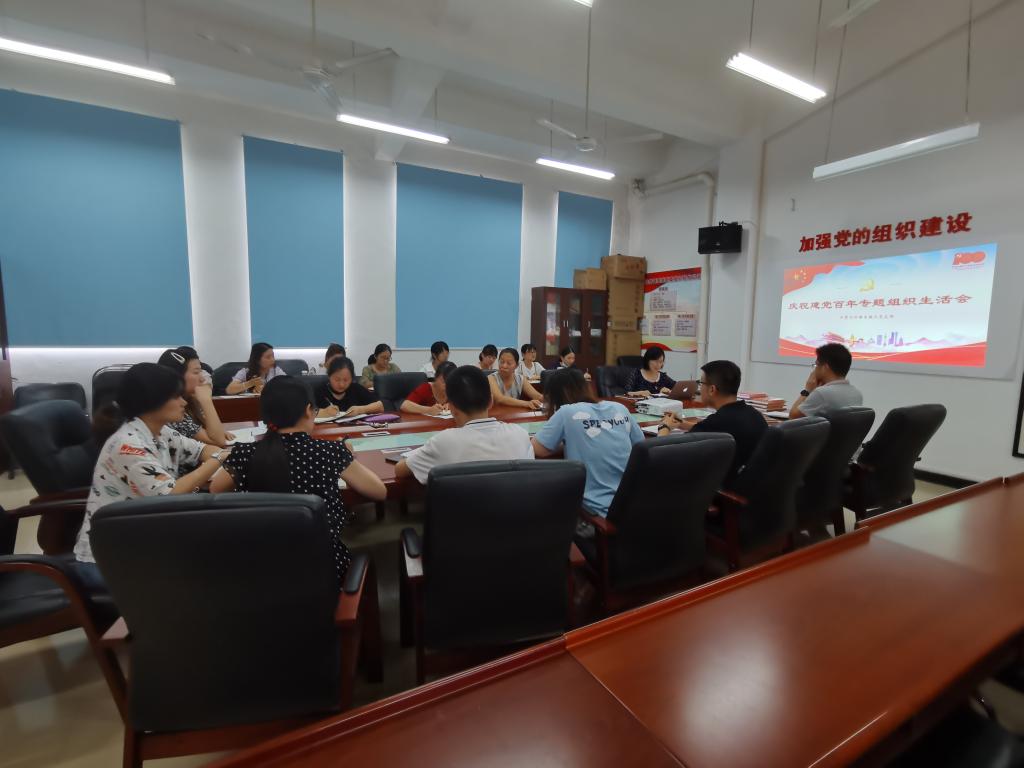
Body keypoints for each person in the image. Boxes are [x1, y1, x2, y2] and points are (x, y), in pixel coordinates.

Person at [210, 377, 386, 587]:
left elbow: (215, 489)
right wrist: (346, 455)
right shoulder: (329, 452)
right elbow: (379, 491)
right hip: (321, 570)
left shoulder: (245, 453)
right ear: (308, 410)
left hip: (259, 572)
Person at [73, 363, 230, 589]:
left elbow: (201, 449)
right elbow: (170, 494)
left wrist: (218, 455)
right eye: (176, 397)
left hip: (143, 539)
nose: (184, 402)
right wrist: (219, 458)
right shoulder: (128, 445)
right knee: (207, 576)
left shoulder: (160, 431)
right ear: (152, 401)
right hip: (108, 559)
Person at [532, 368, 643, 518]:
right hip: (634, 505)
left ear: (559, 394)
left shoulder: (566, 412)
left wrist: (569, 440)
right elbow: (640, 445)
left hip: (597, 512)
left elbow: (538, 449)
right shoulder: (619, 408)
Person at [395, 366, 534, 484]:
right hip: (514, 507)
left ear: (451, 408)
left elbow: (400, 470)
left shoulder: (443, 442)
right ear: (490, 402)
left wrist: (423, 450)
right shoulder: (520, 435)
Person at [659, 360, 767, 489]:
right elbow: (711, 431)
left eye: (701, 383)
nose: (699, 389)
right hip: (753, 490)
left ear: (712, 389)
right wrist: (683, 424)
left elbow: (667, 456)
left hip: (724, 494)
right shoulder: (754, 414)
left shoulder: (716, 422)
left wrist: (664, 428)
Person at [157, 347, 233, 446]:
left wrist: (217, 430)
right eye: (196, 372)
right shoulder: (171, 408)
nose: (202, 379)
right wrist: (206, 401)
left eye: (201, 372)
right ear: (177, 376)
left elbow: (214, 433)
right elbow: (219, 442)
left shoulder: (190, 400)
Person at [790, 342, 863, 419]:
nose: (814, 369)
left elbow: (793, 416)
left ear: (825, 367)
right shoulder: (857, 393)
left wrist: (807, 390)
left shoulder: (822, 393)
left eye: (816, 365)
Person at [314, 356, 384, 418]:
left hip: (354, 428)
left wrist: (361, 409)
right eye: (337, 380)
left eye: (346, 380)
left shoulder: (355, 388)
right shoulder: (320, 390)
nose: (341, 384)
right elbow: (308, 413)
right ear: (329, 376)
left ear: (352, 378)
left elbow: (381, 406)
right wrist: (323, 412)